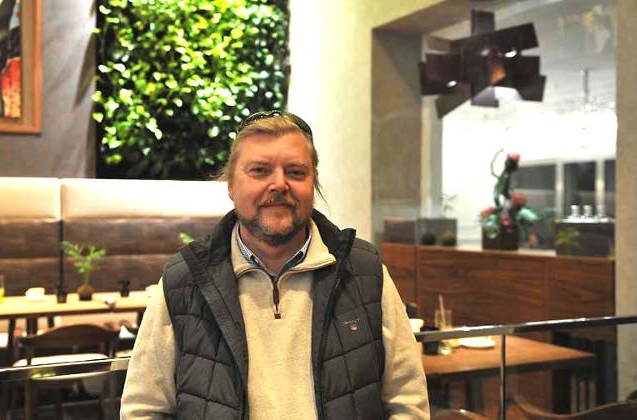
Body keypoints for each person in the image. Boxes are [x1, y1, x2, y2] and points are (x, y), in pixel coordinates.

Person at [121, 111, 430, 420]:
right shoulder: (184, 281)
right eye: (259, 171)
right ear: (231, 185)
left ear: (312, 183)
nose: (279, 184)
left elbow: (408, 402)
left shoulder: (364, 273)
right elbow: (144, 409)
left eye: (295, 172)